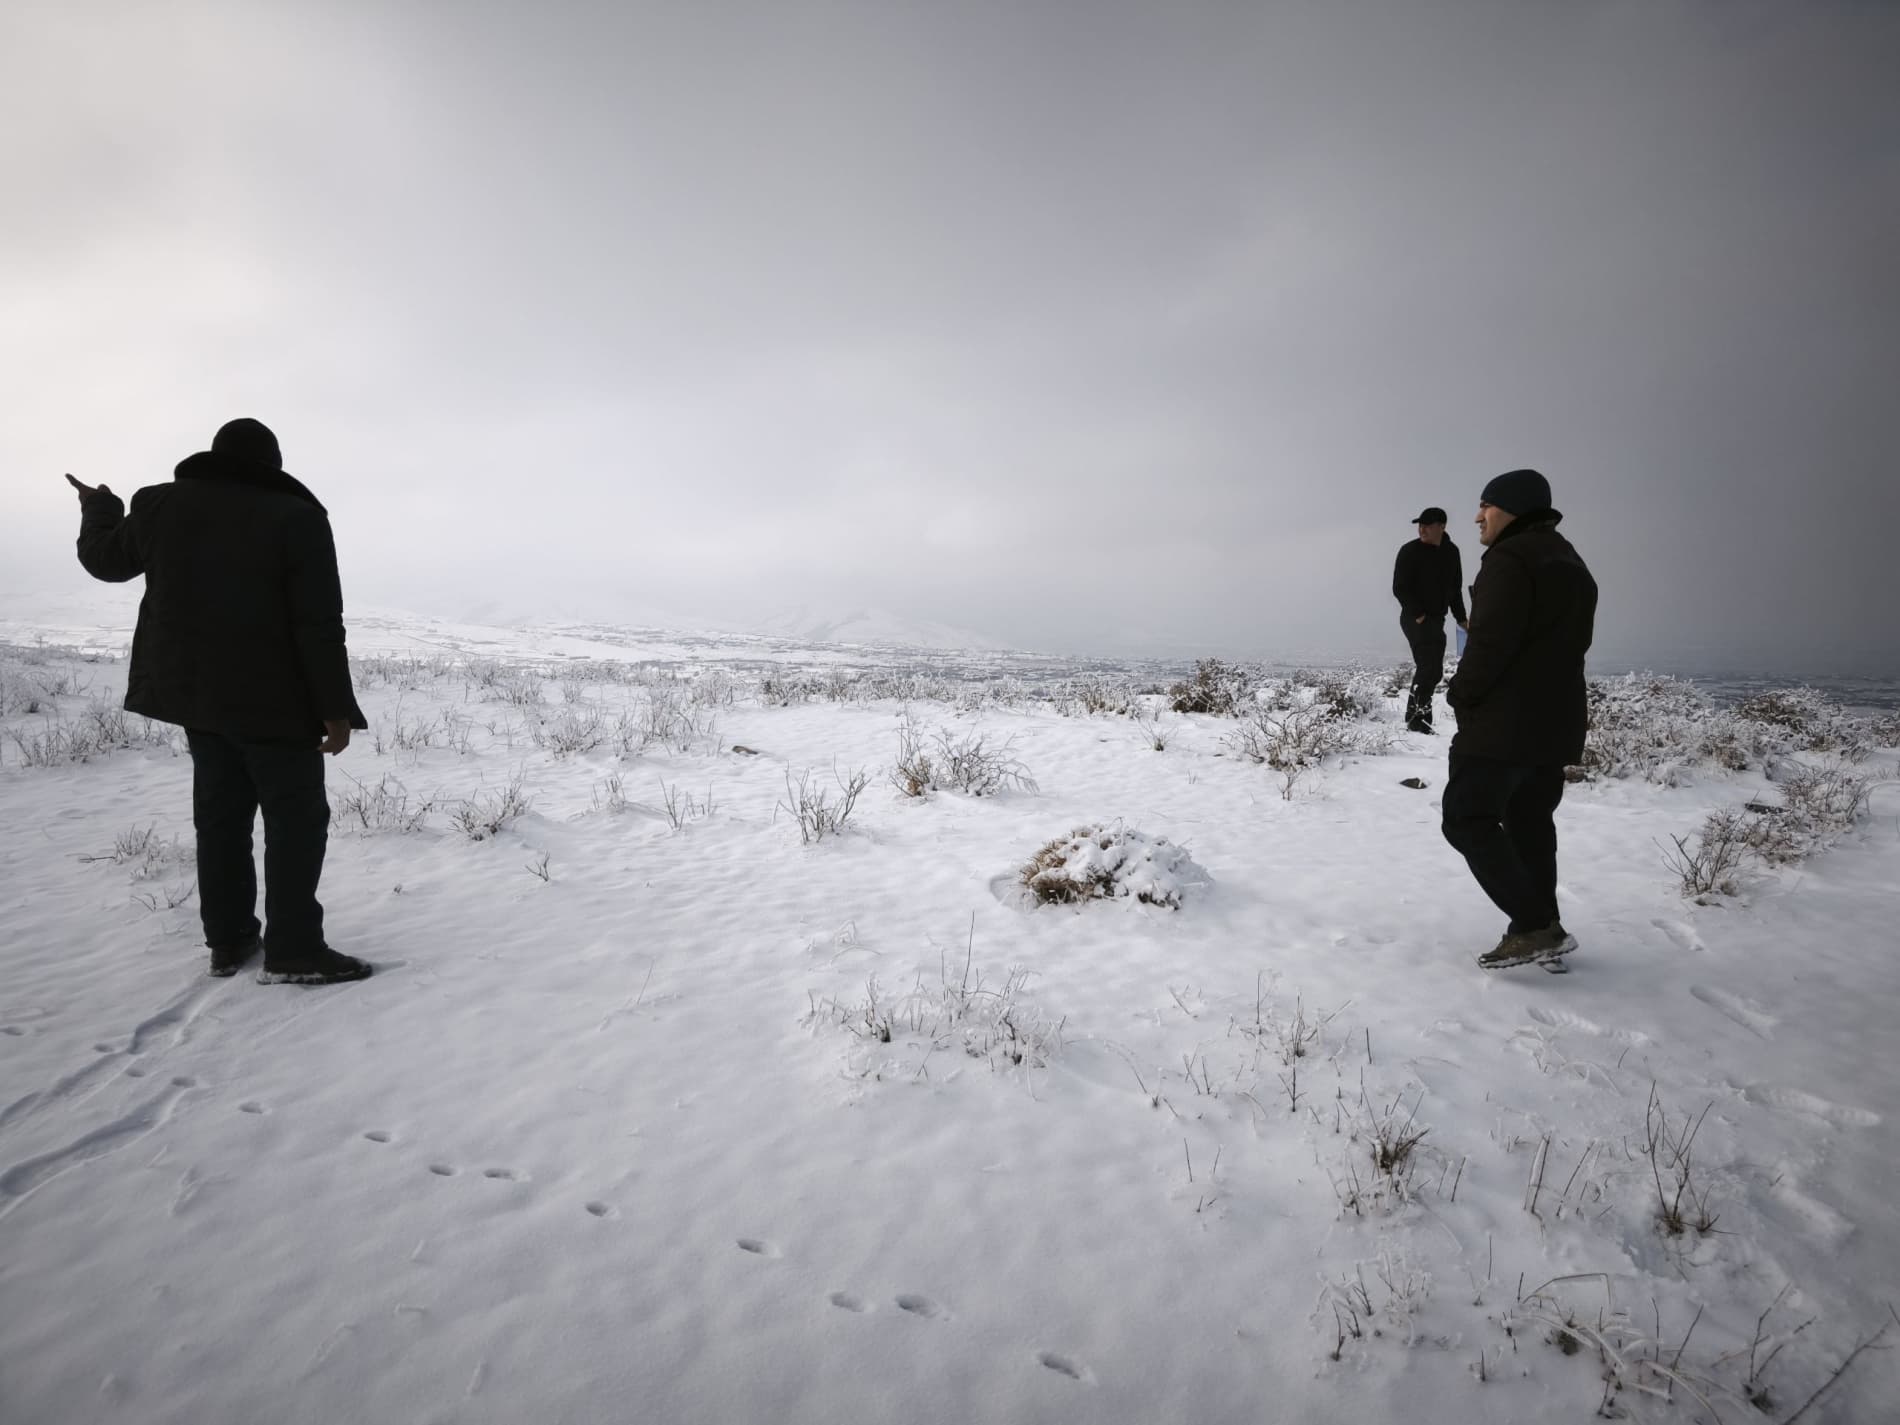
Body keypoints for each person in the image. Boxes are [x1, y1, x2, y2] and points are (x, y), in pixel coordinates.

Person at [70, 418, 372, 985]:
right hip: (277, 703)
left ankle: (229, 941)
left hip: (197, 699)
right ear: (271, 465)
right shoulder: (297, 517)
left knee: (221, 819)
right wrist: (335, 710)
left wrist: (99, 507)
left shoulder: (160, 506)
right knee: (296, 822)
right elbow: (318, 623)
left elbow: (105, 561)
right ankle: (294, 950)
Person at [1442, 469, 1598, 970]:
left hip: (1504, 725)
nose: (1477, 516)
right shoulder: (1569, 559)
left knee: (1467, 818)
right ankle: (1544, 927)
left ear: (1513, 508)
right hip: (1555, 723)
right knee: (1529, 822)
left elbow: (1489, 645)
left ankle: (1534, 925)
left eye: (1485, 505)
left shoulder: (1510, 560)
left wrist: (1461, 696)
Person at [1391, 506, 1468, 733]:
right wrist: (1419, 614)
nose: (1421, 529)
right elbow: (1399, 588)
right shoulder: (1409, 551)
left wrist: (1462, 618)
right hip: (1414, 618)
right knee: (1428, 666)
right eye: (1420, 525)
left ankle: (1418, 717)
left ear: (1442, 526)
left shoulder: (1451, 552)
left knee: (1434, 671)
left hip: (1437, 619)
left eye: (1427, 525)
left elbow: (1455, 589)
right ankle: (1418, 722)